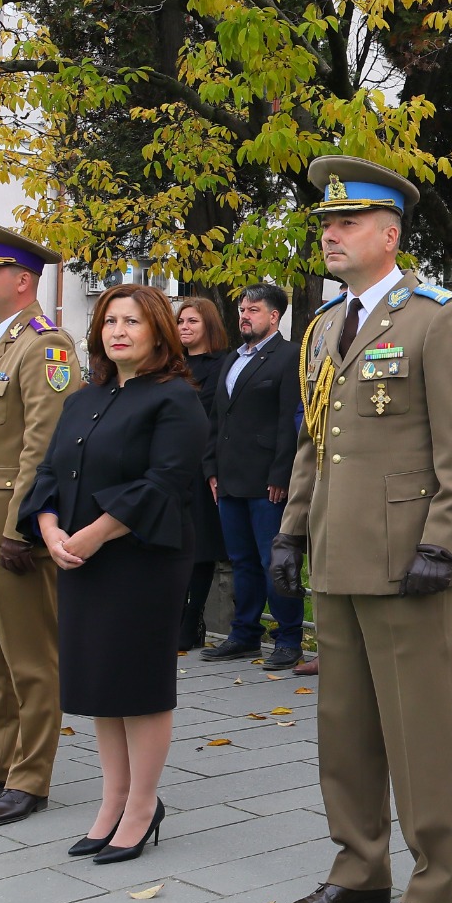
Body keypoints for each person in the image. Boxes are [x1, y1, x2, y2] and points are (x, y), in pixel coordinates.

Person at [270, 155, 452, 903]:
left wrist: (445, 542)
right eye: (327, 224)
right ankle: (359, 865)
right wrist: (293, 530)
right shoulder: (327, 326)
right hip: (337, 549)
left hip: (408, 559)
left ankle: (432, 884)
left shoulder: (439, 318)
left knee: (420, 729)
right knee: (345, 724)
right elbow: (315, 442)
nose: (330, 235)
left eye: (347, 222)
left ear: (389, 233)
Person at [19, 284, 207, 863]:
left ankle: (143, 805)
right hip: (78, 555)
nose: (117, 330)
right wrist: (50, 531)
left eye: (132, 321)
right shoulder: (84, 396)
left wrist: (94, 534)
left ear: (158, 332)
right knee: (101, 682)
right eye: (108, 321)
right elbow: (49, 471)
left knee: (138, 684)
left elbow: (165, 482)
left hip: (140, 559)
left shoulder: (174, 398)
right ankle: (112, 801)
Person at [0, 221, 79, 828]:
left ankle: (31, 776)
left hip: (5, 526)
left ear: (22, 280)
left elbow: (45, 445)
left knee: (30, 659)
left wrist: (22, 525)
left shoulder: (46, 345)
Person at [200, 284, 304, 671]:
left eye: (254, 310)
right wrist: (211, 468)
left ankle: (289, 638)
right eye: (242, 309)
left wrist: (282, 472)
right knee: (241, 560)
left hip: (267, 481)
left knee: (274, 560)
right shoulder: (232, 359)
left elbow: (288, 419)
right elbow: (217, 418)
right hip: (229, 477)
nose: (244, 316)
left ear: (274, 316)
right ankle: (244, 634)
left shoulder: (289, 356)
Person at [175, 296, 231, 650]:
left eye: (192, 321)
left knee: (200, 546)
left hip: (203, 463)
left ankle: (192, 619)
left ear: (208, 324)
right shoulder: (168, 363)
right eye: (180, 321)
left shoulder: (224, 364)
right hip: (169, 462)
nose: (184, 327)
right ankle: (174, 616)